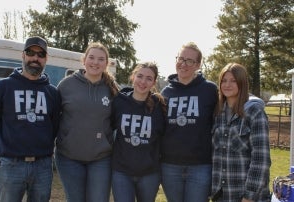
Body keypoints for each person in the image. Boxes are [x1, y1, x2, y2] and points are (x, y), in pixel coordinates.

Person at [0, 36, 61, 202]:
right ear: (23, 55)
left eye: (40, 54)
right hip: (11, 165)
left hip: (43, 166)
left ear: (46, 58)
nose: (35, 58)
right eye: (31, 52)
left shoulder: (52, 93)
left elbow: (54, 127)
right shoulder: (3, 87)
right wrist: (7, 149)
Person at [54, 42, 119, 202]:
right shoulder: (66, 85)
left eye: (101, 59)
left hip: (101, 158)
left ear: (106, 63)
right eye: (91, 57)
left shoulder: (112, 89)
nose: (95, 62)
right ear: (84, 60)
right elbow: (53, 118)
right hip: (69, 157)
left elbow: (118, 121)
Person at [160, 42, 218, 202]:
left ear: (198, 65)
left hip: (200, 166)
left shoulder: (210, 90)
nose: (183, 64)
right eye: (181, 58)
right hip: (170, 166)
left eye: (189, 61)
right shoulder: (166, 92)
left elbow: (231, 103)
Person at [210, 63, 271, 202]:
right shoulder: (218, 113)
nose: (227, 85)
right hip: (222, 194)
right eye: (224, 81)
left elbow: (261, 160)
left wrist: (249, 196)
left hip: (247, 195)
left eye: (233, 81)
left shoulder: (254, 112)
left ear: (242, 83)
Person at [111, 62, 166, 202]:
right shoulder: (119, 101)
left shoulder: (160, 106)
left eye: (149, 78)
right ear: (133, 77)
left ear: (153, 82)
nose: (143, 81)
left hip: (149, 174)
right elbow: (107, 128)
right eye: (140, 76)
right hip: (121, 172)